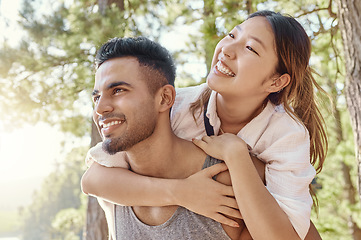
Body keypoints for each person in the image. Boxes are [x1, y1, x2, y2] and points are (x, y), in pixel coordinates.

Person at [82, 10, 327, 240]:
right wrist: (182, 192)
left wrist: (236, 154)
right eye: (232, 35)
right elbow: (93, 180)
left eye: (250, 48)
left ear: (275, 82)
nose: (227, 49)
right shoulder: (178, 106)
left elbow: (289, 233)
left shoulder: (286, 134)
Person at [87, 36, 264, 240]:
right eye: (96, 97)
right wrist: (180, 192)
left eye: (118, 90)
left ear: (164, 98)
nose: (100, 109)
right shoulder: (112, 191)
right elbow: (89, 182)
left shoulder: (230, 177)